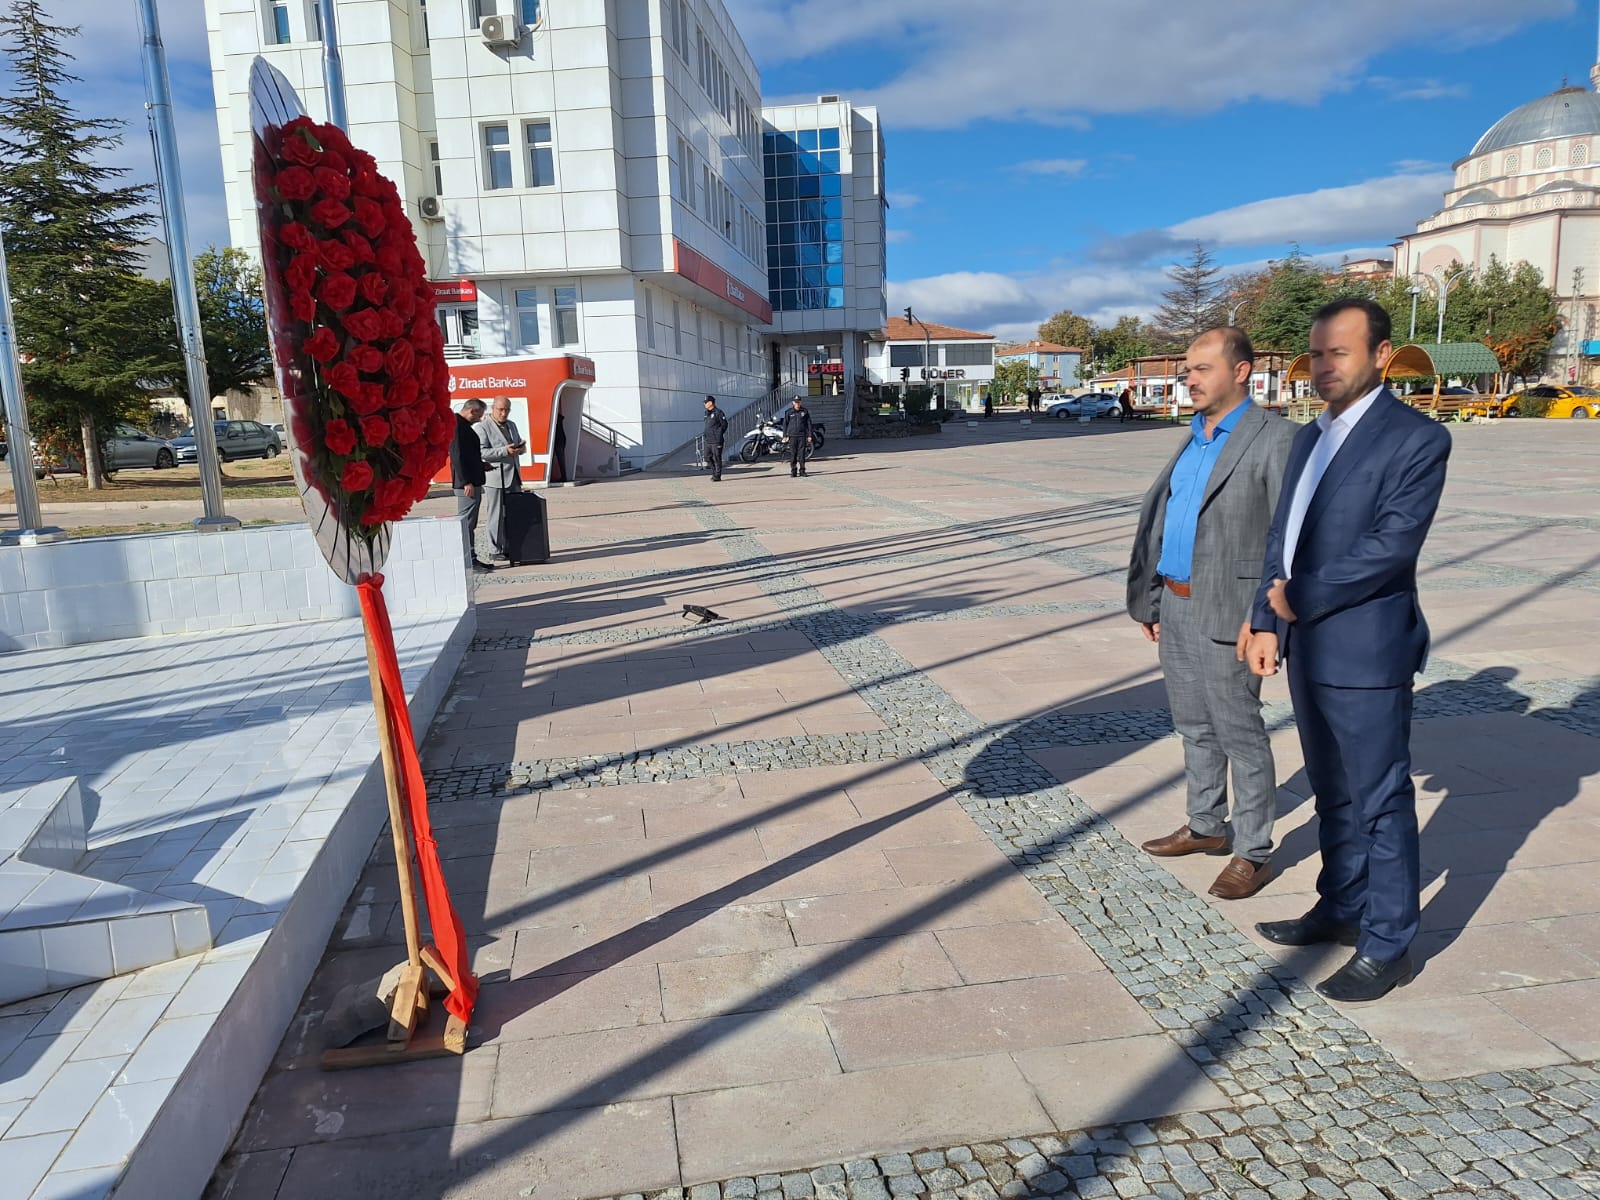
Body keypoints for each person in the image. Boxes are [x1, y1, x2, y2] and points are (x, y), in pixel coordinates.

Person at [1244, 297, 1452, 1003]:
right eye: (1317, 354)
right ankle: (1340, 905)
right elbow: (1282, 539)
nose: (1323, 368)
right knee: (1332, 789)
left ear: (1382, 355)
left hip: (1365, 649)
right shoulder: (1306, 438)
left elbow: (1391, 546)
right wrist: (1266, 620)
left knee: (1379, 798)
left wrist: (1299, 596)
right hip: (1305, 645)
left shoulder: (1416, 439)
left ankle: (1389, 941)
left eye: (1340, 353)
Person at [1127, 327, 1295, 900]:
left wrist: (1267, 618)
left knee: (1239, 733)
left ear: (1242, 371)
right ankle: (1206, 827)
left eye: (1201, 368)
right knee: (1194, 727)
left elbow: (1288, 539)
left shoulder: (1276, 439)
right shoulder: (1194, 437)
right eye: (1186, 370)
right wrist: (1152, 598)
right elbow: (1165, 523)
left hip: (1235, 613)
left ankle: (1253, 851)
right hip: (1176, 604)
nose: (1189, 379)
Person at [476, 396, 526, 562]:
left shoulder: (512, 425)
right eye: (500, 409)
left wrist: (521, 448)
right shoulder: (482, 427)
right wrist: (504, 451)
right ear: (493, 408)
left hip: (513, 476)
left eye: (507, 410)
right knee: (496, 514)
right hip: (495, 477)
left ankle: (511, 546)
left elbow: (516, 444)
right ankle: (494, 548)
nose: (504, 413)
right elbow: (482, 452)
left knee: (514, 514)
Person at [449, 398, 493, 571]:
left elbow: (468, 455)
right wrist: (465, 480)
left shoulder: (464, 426)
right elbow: (457, 456)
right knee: (466, 522)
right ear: (472, 411)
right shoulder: (457, 427)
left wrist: (482, 465)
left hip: (472, 480)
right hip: (466, 484)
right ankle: (467, 560)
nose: (481, 419)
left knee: (470, 522)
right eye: (480, 415)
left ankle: (471, 557)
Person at [780, 395, 812, 477]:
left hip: (802, 435)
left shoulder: (804, 411)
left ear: (801, 402)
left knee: (802, 454)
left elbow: (809, 424)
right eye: (796, 402)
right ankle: (793, 470)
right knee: (793, 454)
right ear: (793, 403)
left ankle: (802, 470)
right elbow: (785, 424)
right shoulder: (789, 412)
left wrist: (809, 435)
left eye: (799, 402)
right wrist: (785, 435)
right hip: (792, 436)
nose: (797, 403)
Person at [703, 394, 728, 481]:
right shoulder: (706, 413)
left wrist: (719, 433)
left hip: (716, 440)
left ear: (711, 403)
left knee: (717, 458)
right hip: (708, 440)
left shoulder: (718, 412)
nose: (704, 404)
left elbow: (724, 425)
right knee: (707, 457)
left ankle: (717, 476)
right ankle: (714, 472)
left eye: (706, 402)